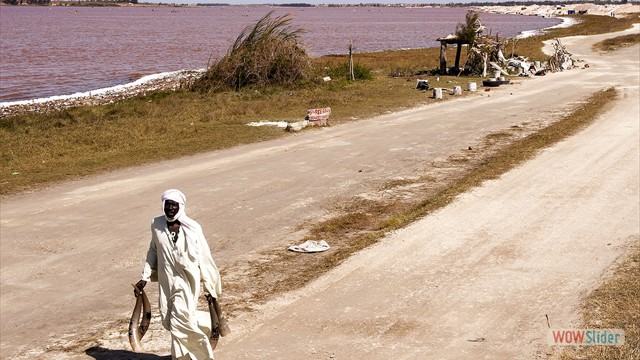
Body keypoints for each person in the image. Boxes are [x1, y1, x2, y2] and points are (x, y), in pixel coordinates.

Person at [134, 189, 222, 359]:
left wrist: (209, 286)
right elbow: (153, 250)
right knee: (169, 319)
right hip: (166, 281)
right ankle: (189, 348)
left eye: (174, 205)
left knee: (179, 319)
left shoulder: (193, 228)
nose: (170, 209)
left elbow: (205, 257)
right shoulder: (156, 224)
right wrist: (145, 277)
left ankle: (201, 354)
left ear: (181, 206)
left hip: (187, 281)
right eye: (167, 205)